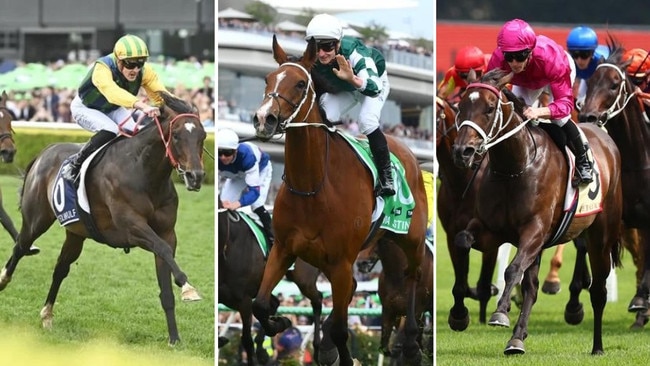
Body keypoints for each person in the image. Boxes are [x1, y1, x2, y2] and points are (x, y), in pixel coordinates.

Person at [487, 19, 593, 186]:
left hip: (553, 75)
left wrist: (539, 112)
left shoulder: (551, 59)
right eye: (509, 57)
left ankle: (583, 160)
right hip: (527, 81)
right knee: (516, 114)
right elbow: (487, 91)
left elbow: (565, 105)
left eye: (520, 56)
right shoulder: (498, 59)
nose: (514, 63)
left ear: (530, 52)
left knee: (559, 118)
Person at [305, 13, 395, 197]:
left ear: (338, 43)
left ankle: (387, 178)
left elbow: (375, 88)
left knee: (367, 120)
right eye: (316, 47)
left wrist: (353, 79)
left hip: (372, 84)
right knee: (325, 113)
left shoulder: (355, 52)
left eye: (327, 46)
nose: (321, 53)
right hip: (346, 88)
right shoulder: (312, 58)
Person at [61, 34, 168, 182]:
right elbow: (112, 93)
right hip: (85, 107)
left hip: (112, 108)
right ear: (118, 60)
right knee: (111, 129)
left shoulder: (145, 71)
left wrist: (176, 109)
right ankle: (75, 164)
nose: (135, 70)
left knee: (135, 133)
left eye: (140, 63)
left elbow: (161, 95)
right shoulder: (102, 68)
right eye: (130, 64)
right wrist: (142, 106)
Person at [217, 128, 275, 249]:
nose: (222, 157)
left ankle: (273, 241)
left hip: (260, 171)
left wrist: (238, 204)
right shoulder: (218, 160)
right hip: (236, 176)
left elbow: (254, 192)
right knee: (221, 206)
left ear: (235, 152)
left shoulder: (248, 157)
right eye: (219, 152)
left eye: (227, 153)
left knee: (256, 205)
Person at [565, 26, 609, 106]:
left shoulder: (603, 63)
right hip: (586, 78)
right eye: (575, 55)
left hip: (601, 79)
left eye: (584, 55)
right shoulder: (567, 62)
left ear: (592, 53)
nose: (579, 60)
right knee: (580, 101)